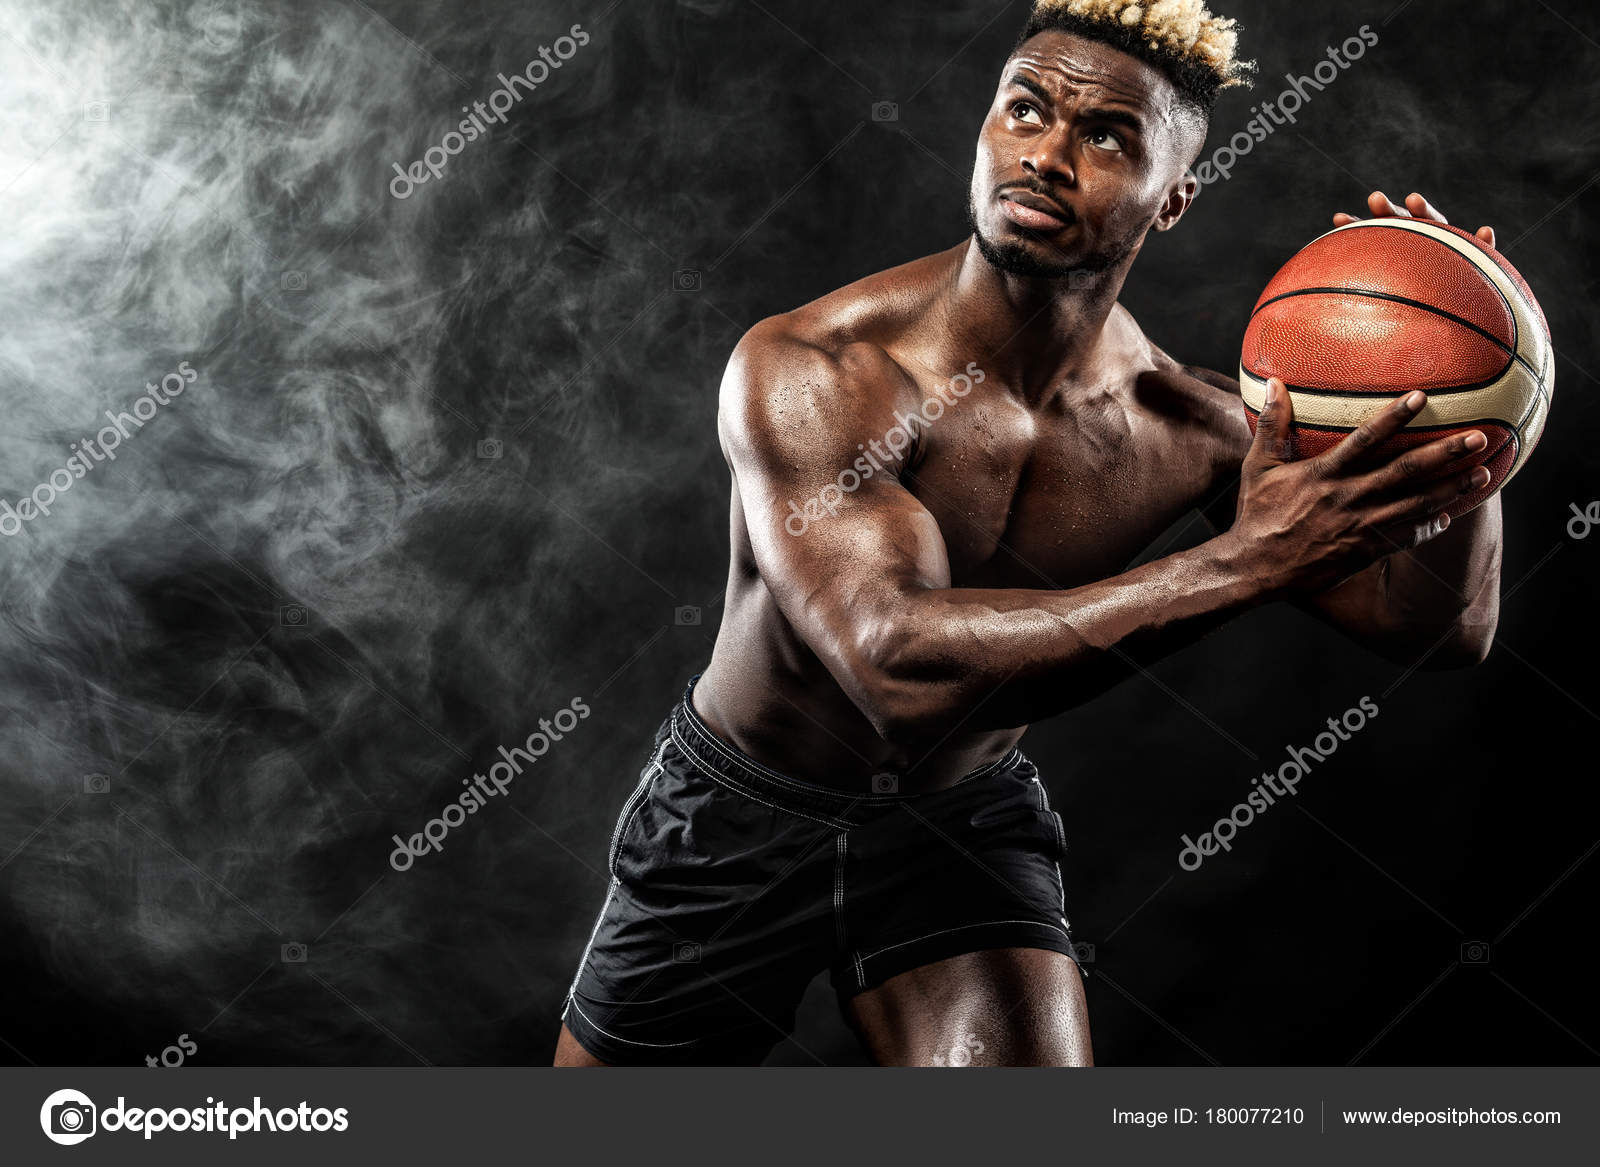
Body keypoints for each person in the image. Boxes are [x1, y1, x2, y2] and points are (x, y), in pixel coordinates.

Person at [555, 0, 1501, 1066]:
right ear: (983, 129)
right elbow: (892, 664)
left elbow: (1435, 625)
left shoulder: (1187, 428)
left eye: (1106, 137)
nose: (1046, 155)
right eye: (1024, 111)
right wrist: (1240, 564)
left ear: (1174, 198)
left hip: (952, 826)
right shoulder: (820, 369)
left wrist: (1469, 418)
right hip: (736, 817)